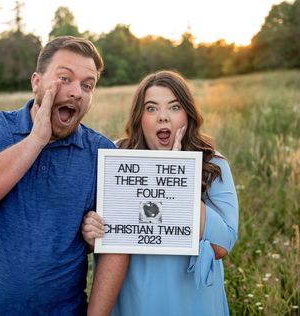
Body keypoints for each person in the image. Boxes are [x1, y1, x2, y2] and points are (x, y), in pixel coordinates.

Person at [0, 36, 127, 315]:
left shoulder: (103, 153)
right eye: (65, 78)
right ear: (36, 81)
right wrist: (35, 140)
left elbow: (116, 246)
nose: (76, 92)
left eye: (88, 85)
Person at [83, 70, 239, 315]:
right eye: (152, 108)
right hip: (132, 298)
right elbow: (94, 234)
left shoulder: (213, 164)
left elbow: (222, 245)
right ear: (139, 118)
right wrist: (92, 231)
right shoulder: (116, 159)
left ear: (187, 114)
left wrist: (177, 175)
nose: (163, 117)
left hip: (191, 302)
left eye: (174, 107)